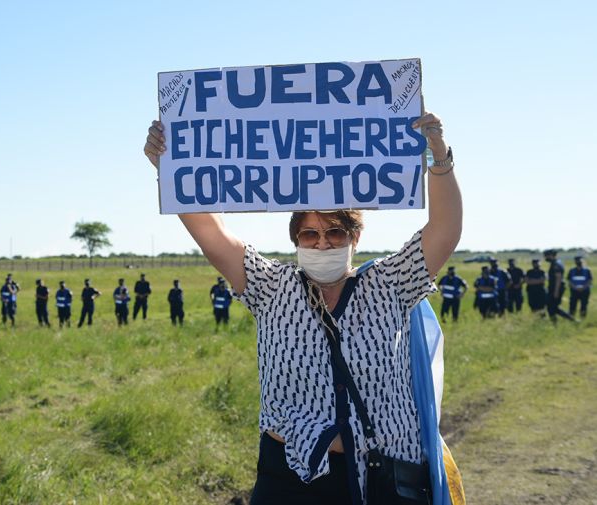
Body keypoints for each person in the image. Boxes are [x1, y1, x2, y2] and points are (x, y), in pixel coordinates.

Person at [143, 110, 462, 503]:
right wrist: (171, 167)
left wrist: (438, 157)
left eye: (334, 232)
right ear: (295, 239)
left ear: (355, 236)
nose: (322, 243)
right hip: (291, 476)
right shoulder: (271, 286)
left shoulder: (390, 283)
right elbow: (212, 233)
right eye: (309, 234)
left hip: (380, 476)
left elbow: (444, 230)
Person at [544, 249, 575, 322]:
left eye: (546, 256)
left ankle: (569, 320)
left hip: (556, 288)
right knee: (552, 307)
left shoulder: (556, 264)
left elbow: (558, 278)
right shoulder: (557, 263)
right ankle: (570, 320)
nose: (545, 258)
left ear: (551, 255)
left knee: (552, 307)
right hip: (555, 288)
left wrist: (556, 292)